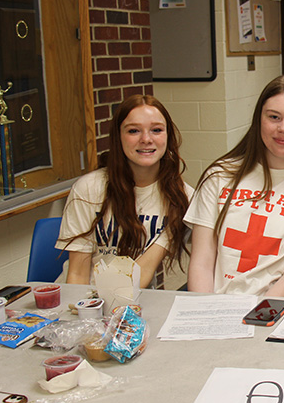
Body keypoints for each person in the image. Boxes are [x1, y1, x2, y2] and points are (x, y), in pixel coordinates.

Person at [185, 75, 284, 297]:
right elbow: (201, 264)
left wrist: (255, 320)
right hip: (215, 307)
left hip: (273, 311)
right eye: (274, 117)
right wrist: (207, 314)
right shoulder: (218, 175)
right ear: (259, 120)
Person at [57, 95, 193, 289]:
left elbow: (142, 275)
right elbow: (77, 275)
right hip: (84, 302)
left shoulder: (181, 198)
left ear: (168, 136)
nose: (146, 139)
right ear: (118, 137)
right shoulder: (89, 188)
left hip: (135, 301)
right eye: (133, 131)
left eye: (156, 130)